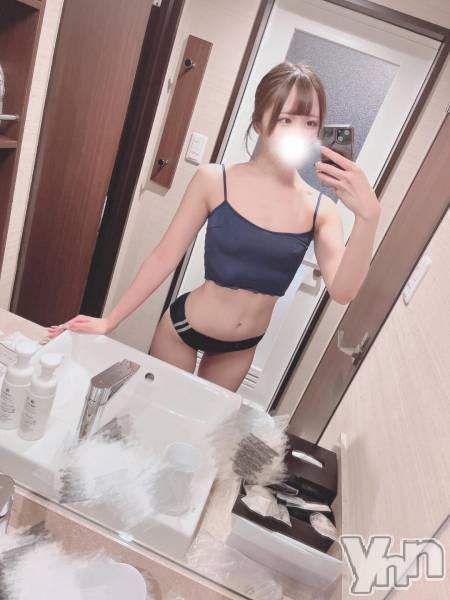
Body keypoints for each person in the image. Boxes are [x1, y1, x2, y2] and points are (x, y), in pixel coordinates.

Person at [47, 61, 380, 392]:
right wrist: (110, 320)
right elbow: (165, 256)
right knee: (154, 413)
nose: (300, 132)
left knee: (200, 423)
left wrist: (368, 217)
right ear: (259, 121)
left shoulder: (321, 210)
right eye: (286, 119)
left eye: (310, 123)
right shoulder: (214, 179)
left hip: (241, 347)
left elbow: (343, 292)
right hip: (184, 330)